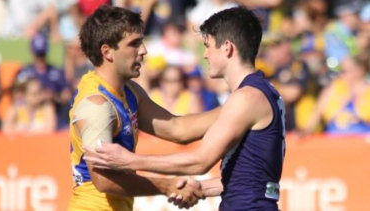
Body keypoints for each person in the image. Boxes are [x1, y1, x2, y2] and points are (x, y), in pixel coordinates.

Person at [84, 6, 286, 211]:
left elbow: (199, 162)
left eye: (207, 46)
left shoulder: (245, 98)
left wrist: (130, 161)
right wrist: (201, 188)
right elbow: (253, 179)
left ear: (227, 48)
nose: (205, 55)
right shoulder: (265, 92)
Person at [68, 5, 221, 211]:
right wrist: (166, 185)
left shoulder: (129, 90)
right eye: (134, 44)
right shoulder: (97, 105)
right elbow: (103, 180)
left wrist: (237, 106)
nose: (144, 50)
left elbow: (178, 128)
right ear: (107, 52)